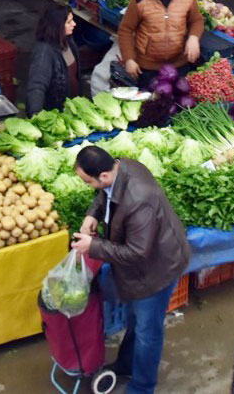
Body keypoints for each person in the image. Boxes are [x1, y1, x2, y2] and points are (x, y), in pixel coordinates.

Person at [72, 144, 191, 392]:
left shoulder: (139, 200)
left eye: (88, 182)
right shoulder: (120, 165)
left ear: (103, 176)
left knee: (148, 330)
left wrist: (93, 246)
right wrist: (92, 214)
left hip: (156, 270)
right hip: (143, 264)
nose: (89, 186)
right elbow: (105, 196)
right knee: (135, 320)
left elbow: (136, 253)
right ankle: (126, 365)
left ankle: (142, 386)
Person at [116, 0, 203, 85]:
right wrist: (129, 59)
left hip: (179, 65)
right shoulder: (140, 0)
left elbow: (197, 20)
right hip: (147, 68)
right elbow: (125, 30)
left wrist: (194, 38)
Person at [20, 3, 81, 116]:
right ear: (57, 26)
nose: (74, 24)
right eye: (68, 22)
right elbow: (37, 86)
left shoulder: (68, 41)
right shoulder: (44, 52)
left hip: (70, 108)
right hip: (55, 113)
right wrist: (37, 117)